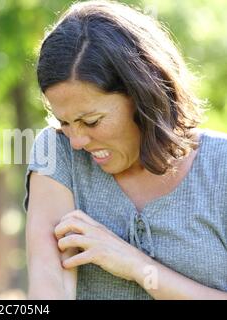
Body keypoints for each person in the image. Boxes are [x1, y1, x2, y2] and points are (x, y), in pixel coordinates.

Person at [24, 0, 227, 299]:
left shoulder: (220, 167)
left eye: (90, 121)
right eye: (64, 121)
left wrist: (135, 265)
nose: (77, 140)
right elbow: (49, 281)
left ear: (142, 96)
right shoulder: (58, 154)